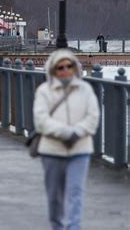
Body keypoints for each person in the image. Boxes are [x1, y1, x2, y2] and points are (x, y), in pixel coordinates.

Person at [33, 49, 100, 230]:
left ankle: (73, 227)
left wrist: (77, 132)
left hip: (80, 149)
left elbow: (92, 116)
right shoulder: (44, 91)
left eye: (69, 66)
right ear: (53, 70)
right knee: (54, 196)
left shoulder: (85, 90)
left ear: (75, 68)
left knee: (76, 192)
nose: (65, 70)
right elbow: (41, 120)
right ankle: (57, 226)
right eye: (60, 67)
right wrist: (65, 132)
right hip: (52, 150)